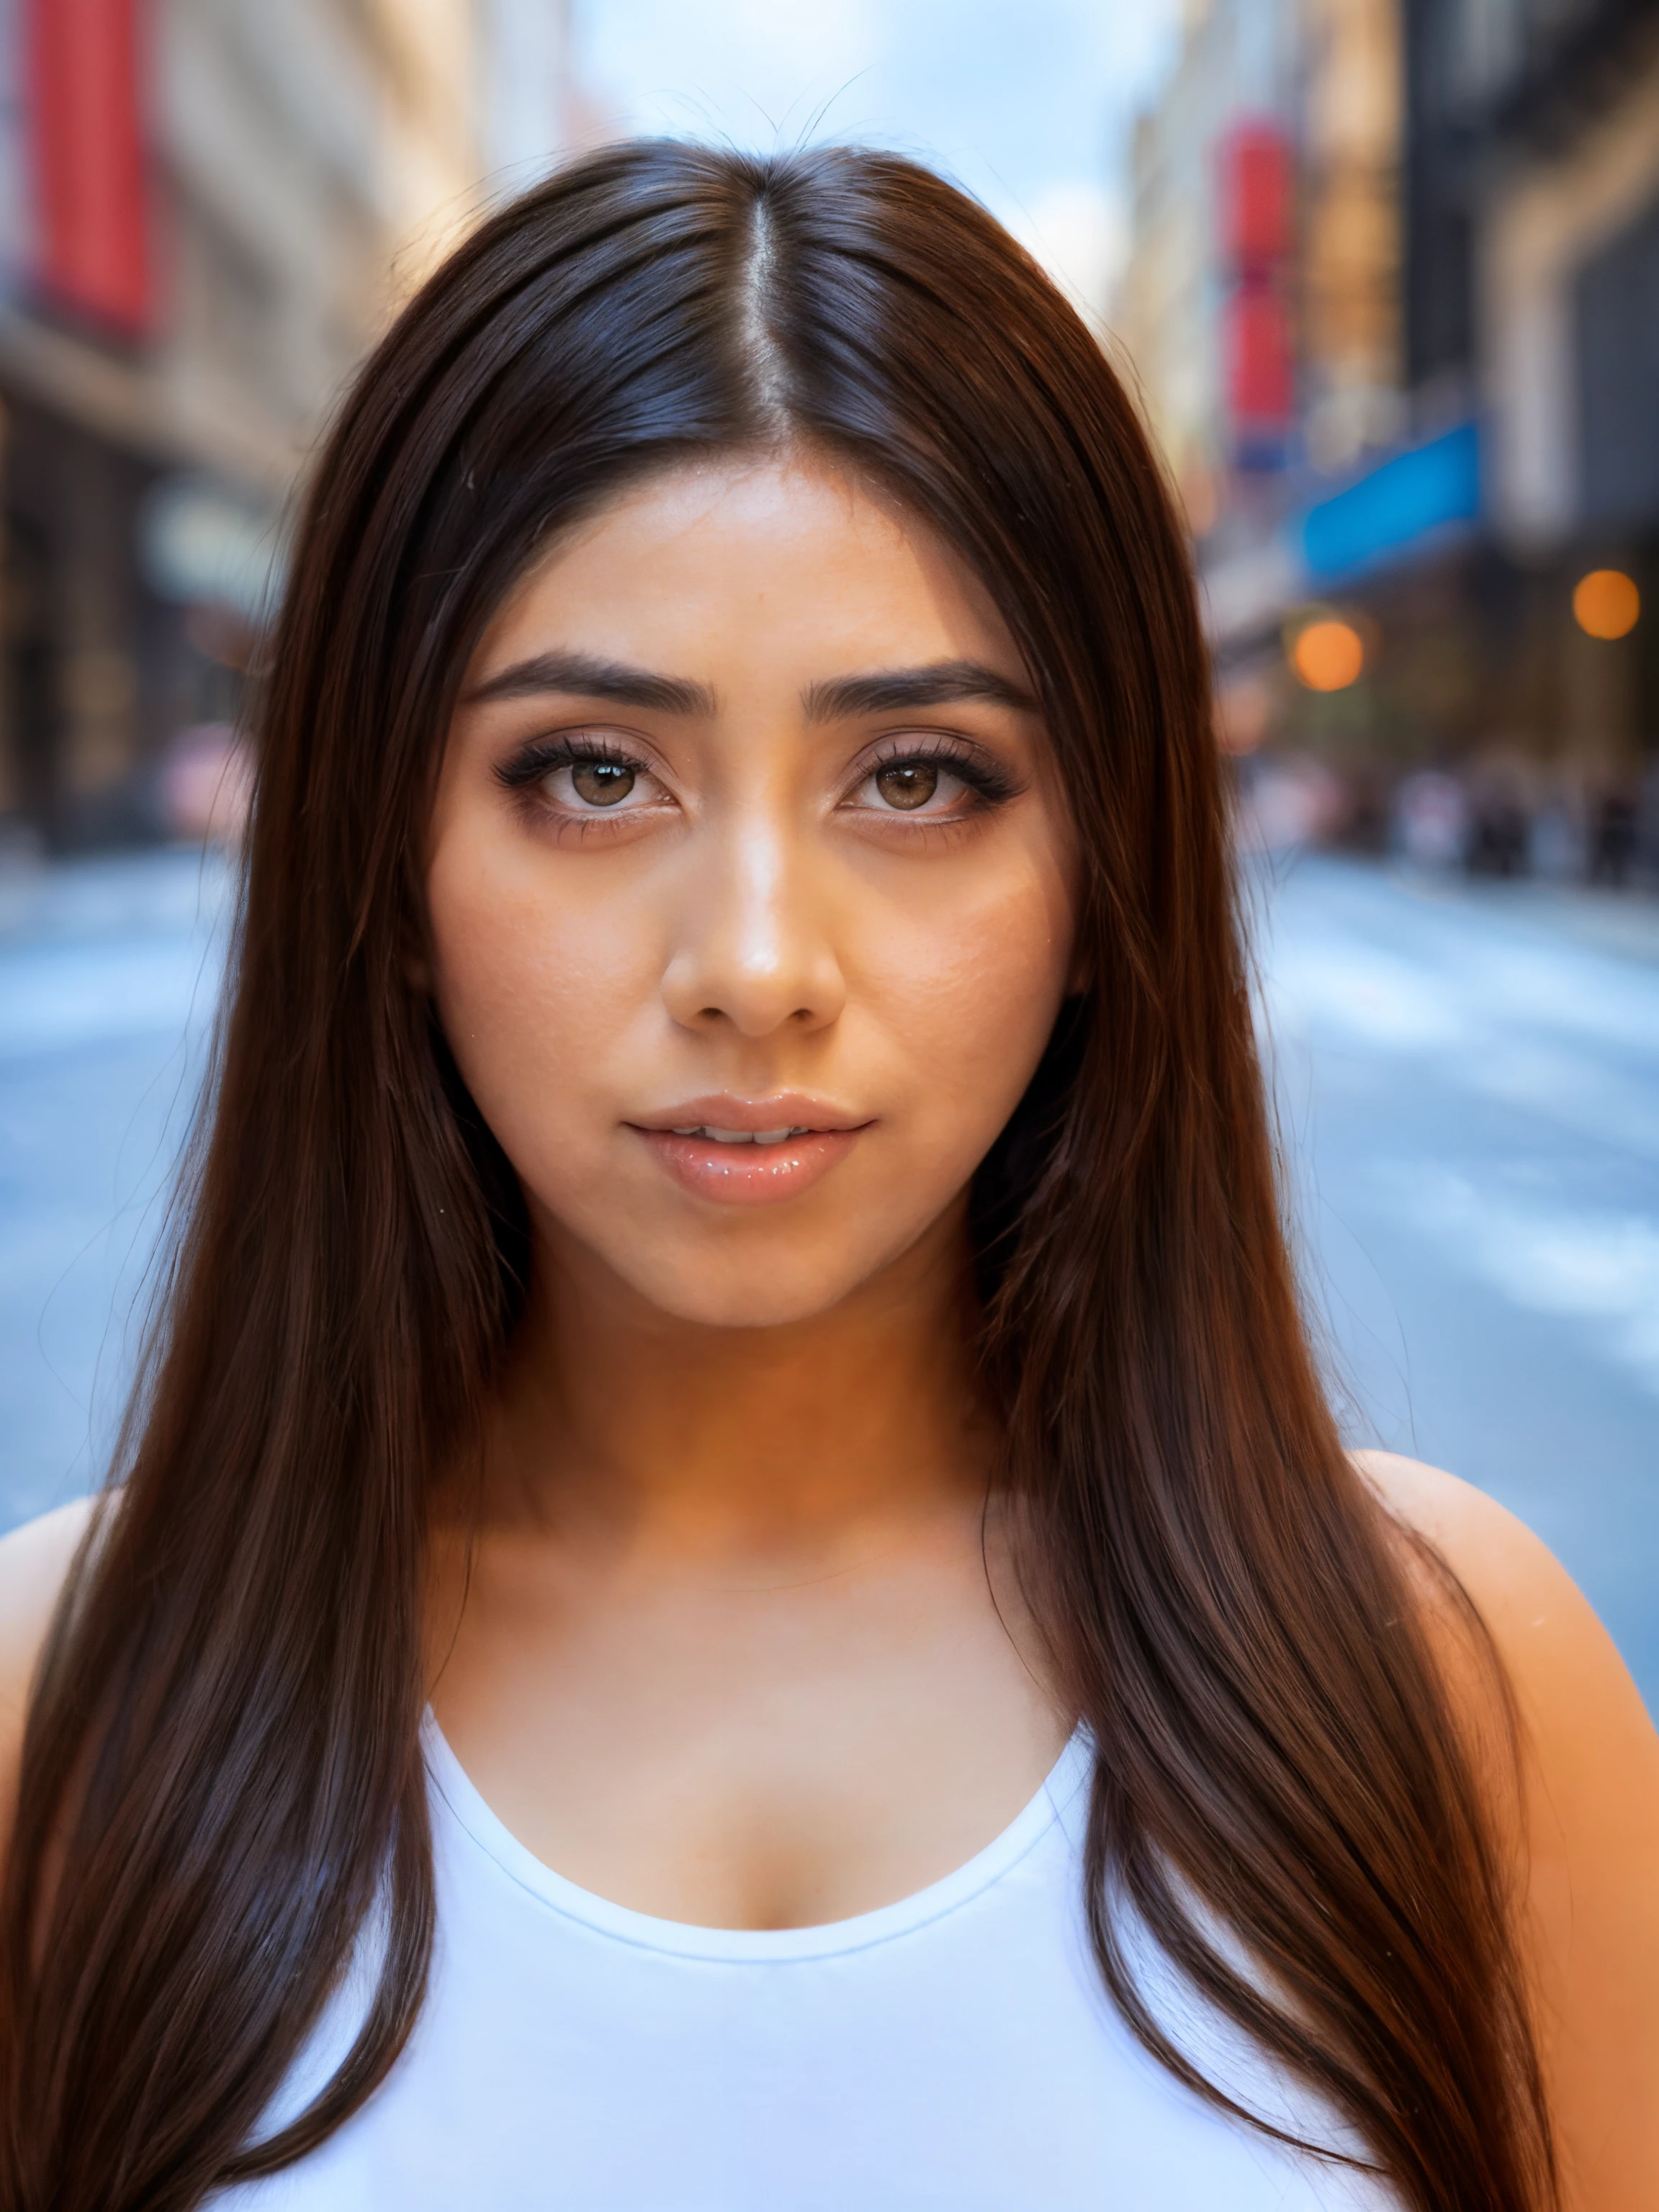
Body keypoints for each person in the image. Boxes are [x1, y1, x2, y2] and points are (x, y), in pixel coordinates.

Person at [1, 143, 1655, 2212]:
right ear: (390, 864)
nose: (757, 968)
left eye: (918, 778)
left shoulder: (1452, 1681)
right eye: (593, 776)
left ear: (1099, 871)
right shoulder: (67, 1702)